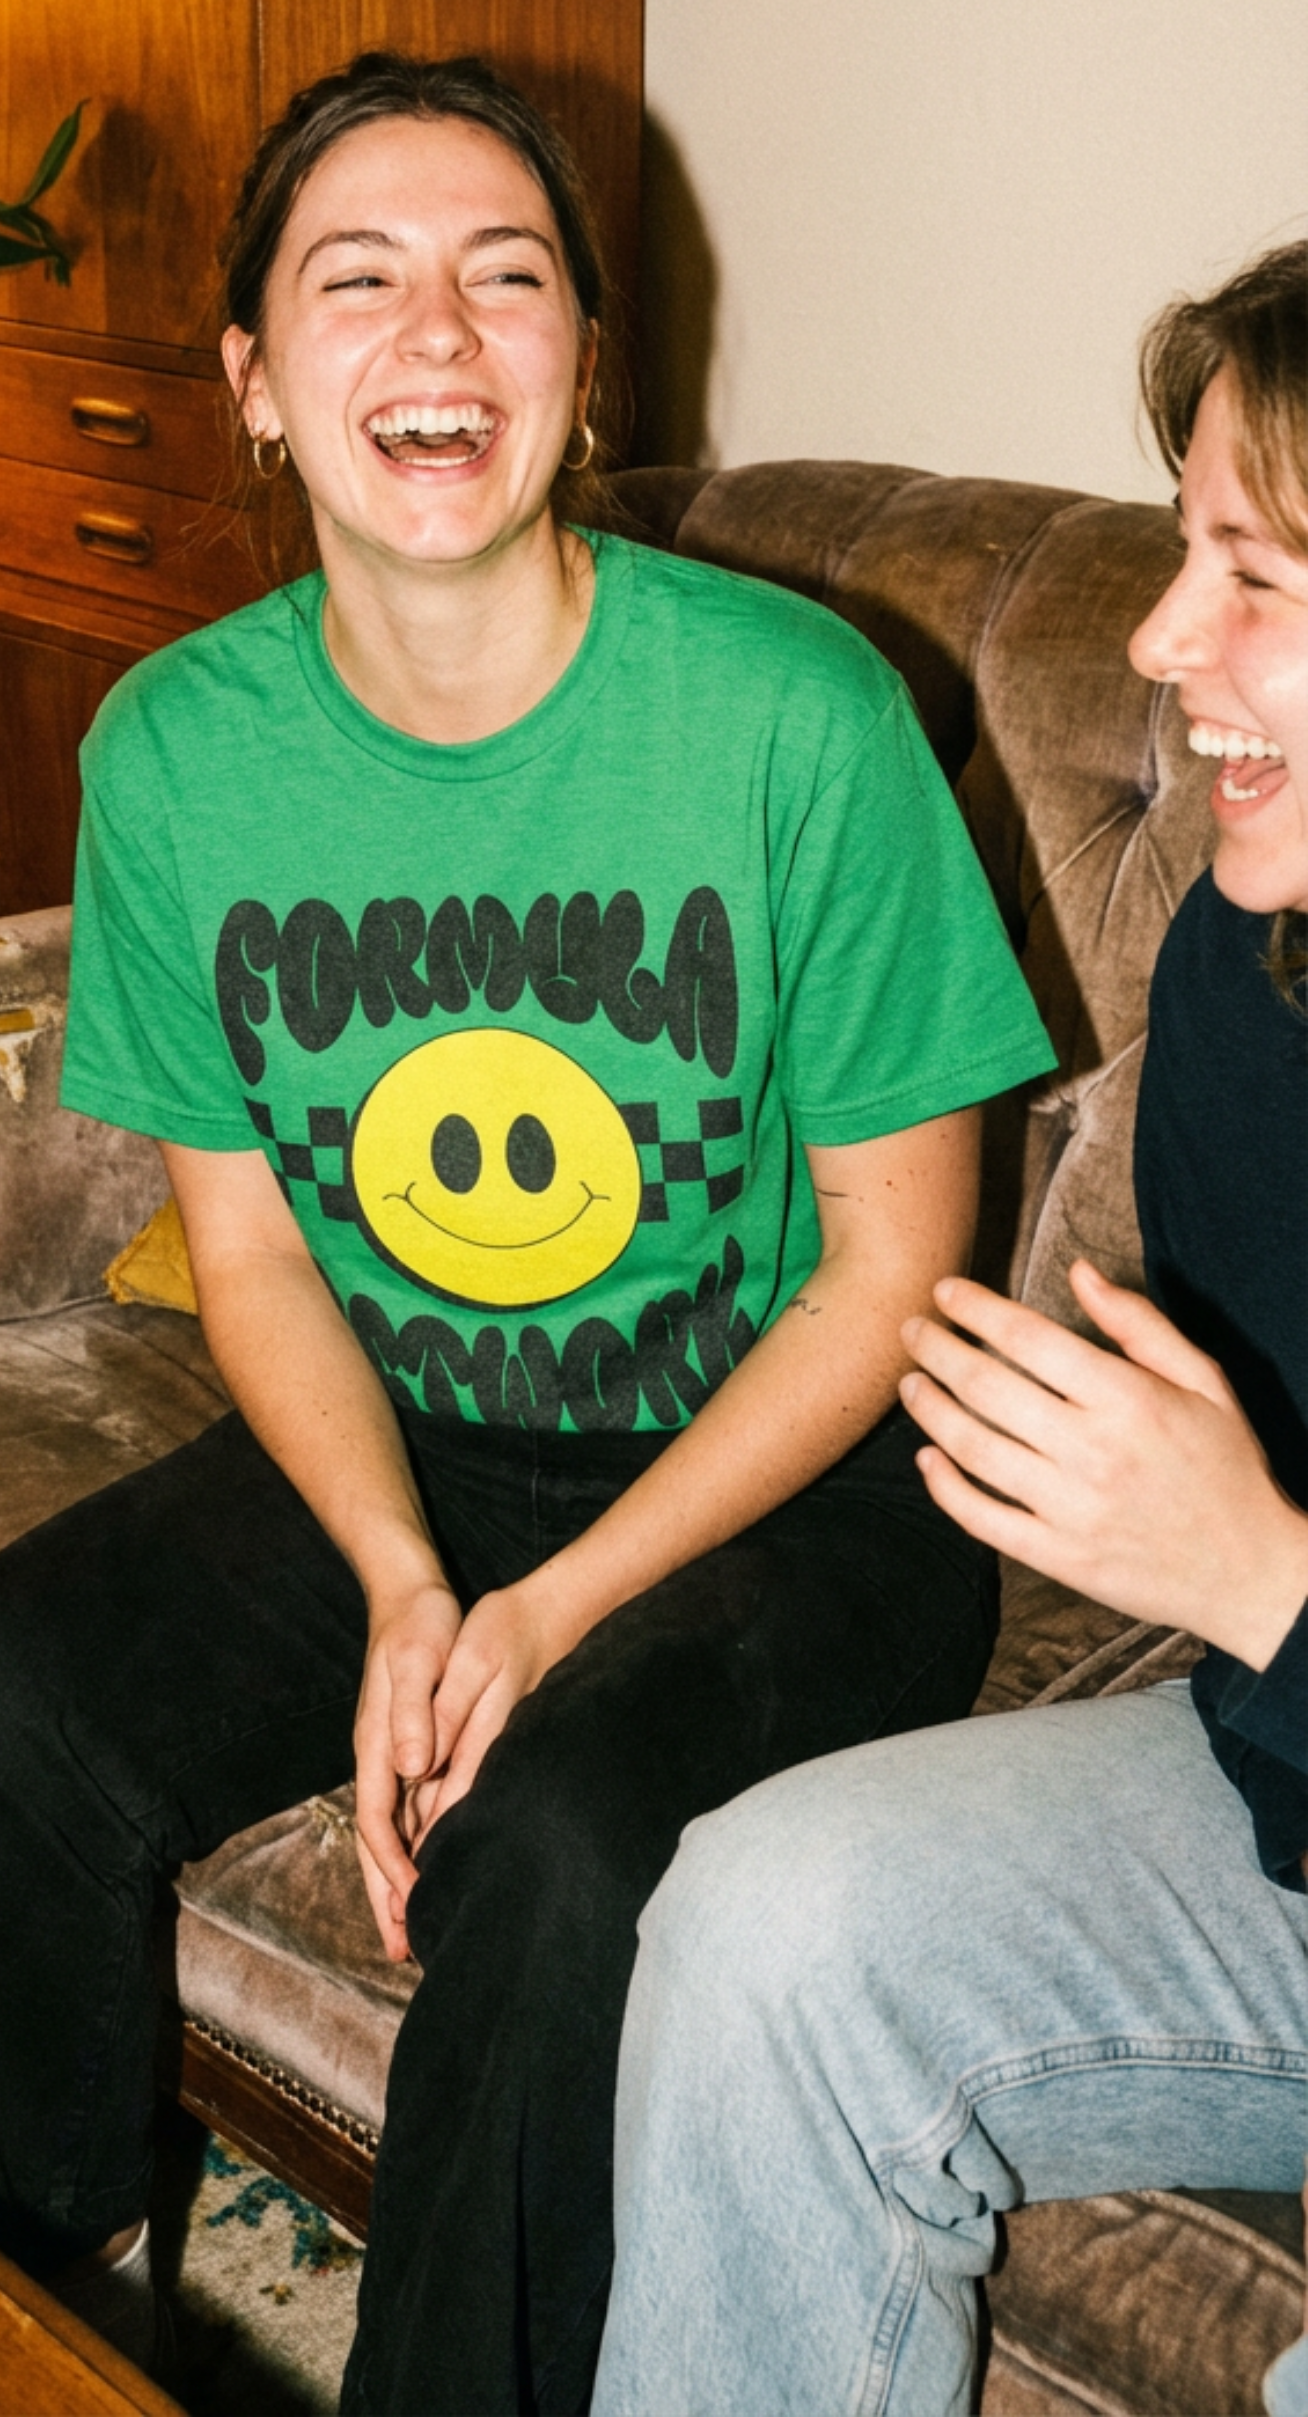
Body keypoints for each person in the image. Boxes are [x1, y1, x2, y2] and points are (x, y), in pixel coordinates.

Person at [0, 52, 1051, 2417]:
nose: (438, 333)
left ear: (582, 371)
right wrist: (412, 1584)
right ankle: (5, 2336)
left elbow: (895, 1280)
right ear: (257, 383)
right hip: (426, 1434)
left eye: (507, 280)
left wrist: (544, 1619)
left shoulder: (795, 718)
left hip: (806, 1477)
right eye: (357, 278)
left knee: (562, 1851)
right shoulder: (181, 751)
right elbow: (267, 1257)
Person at [591, 240, 1308, 2417]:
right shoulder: (1240, 980)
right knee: (764, 1923)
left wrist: (1261, 1574)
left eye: (1255, 577)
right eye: (1184, 553)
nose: (1162, 639)